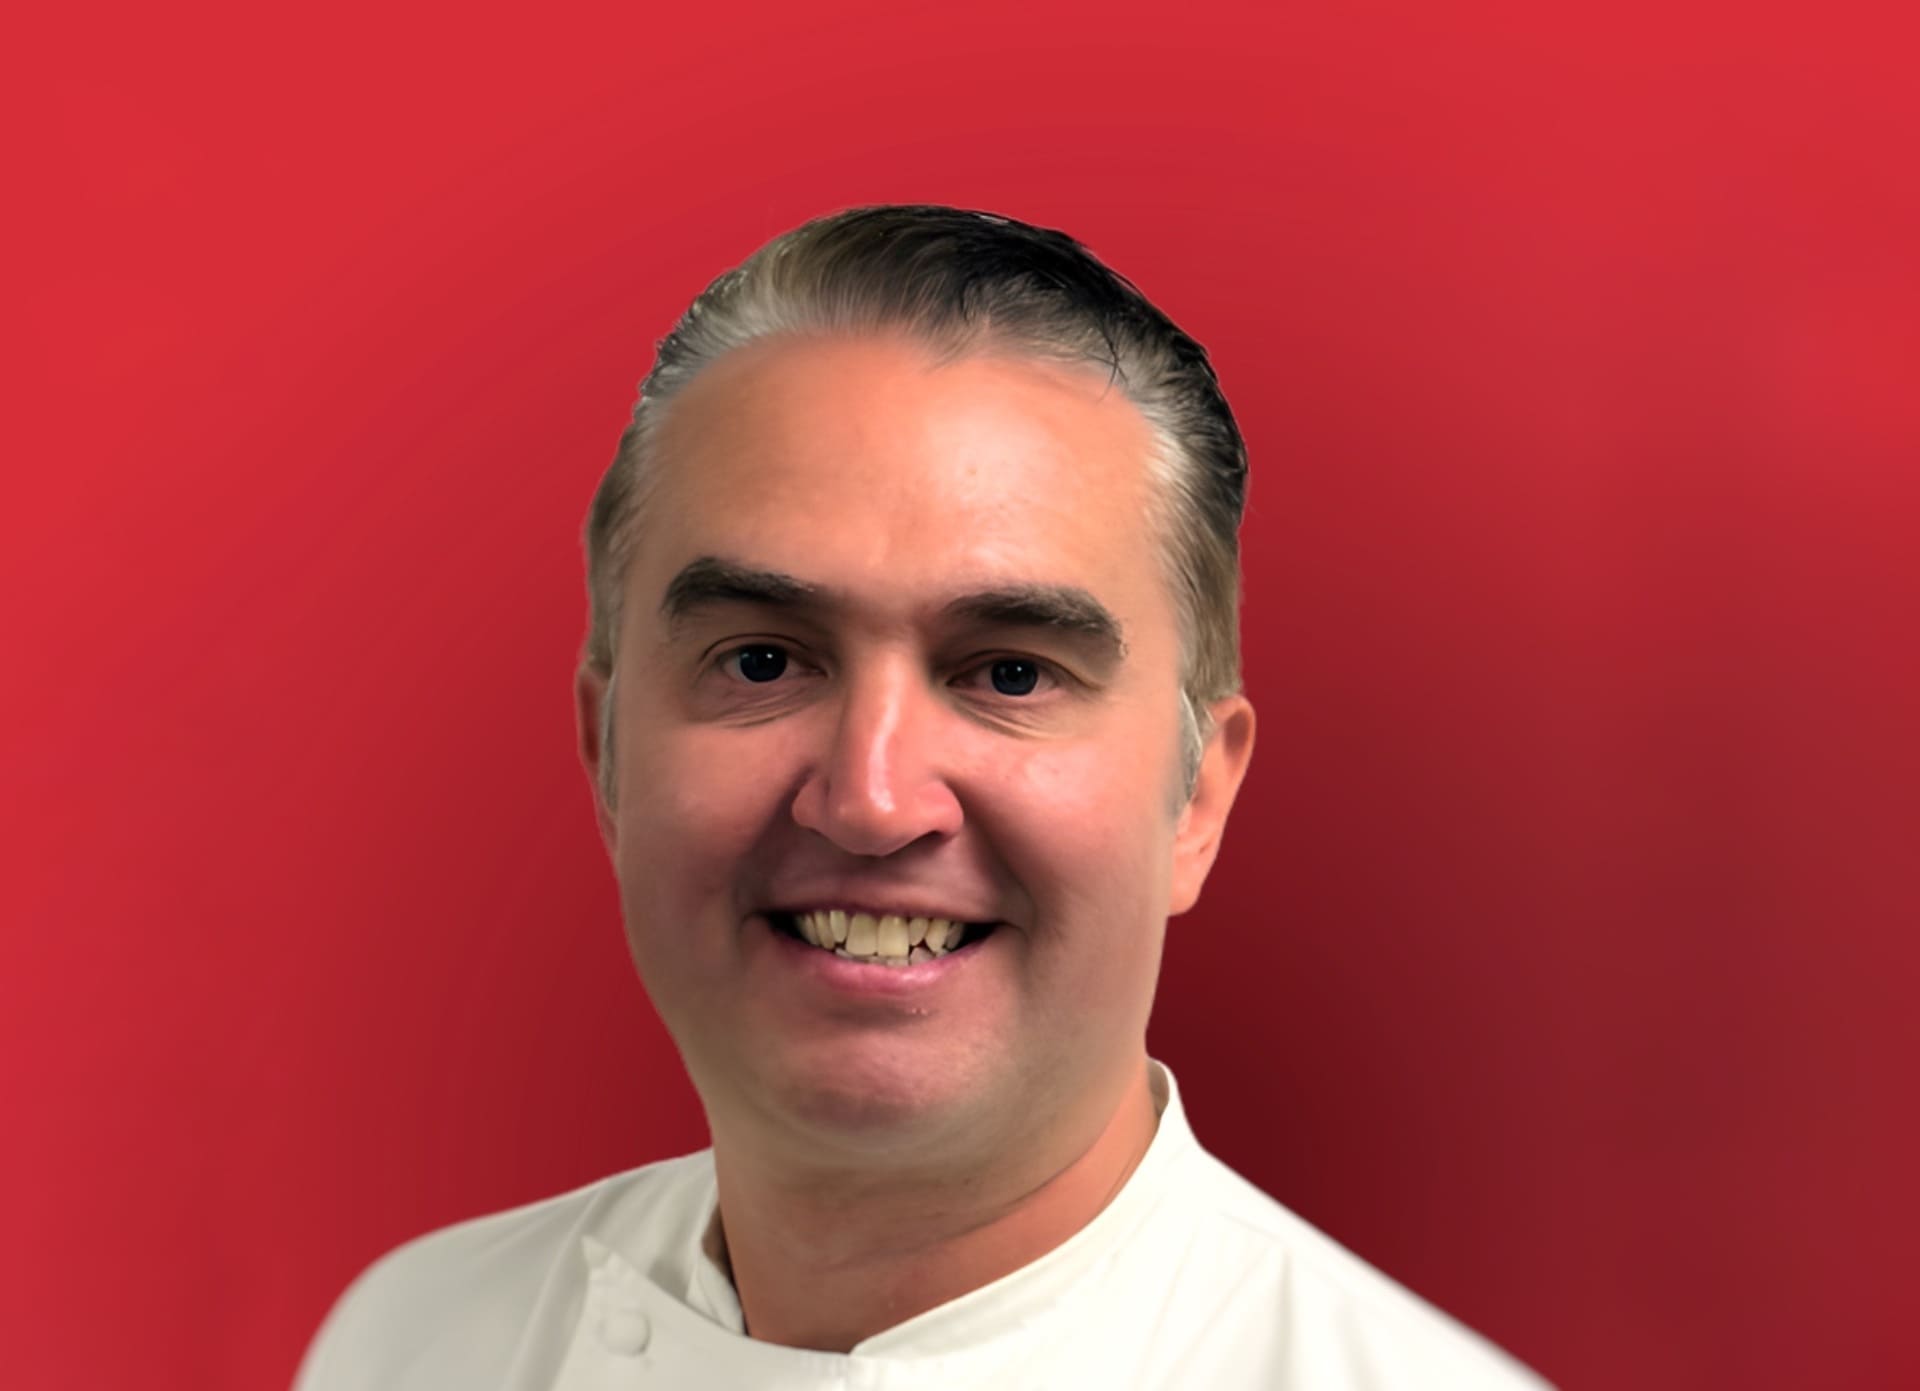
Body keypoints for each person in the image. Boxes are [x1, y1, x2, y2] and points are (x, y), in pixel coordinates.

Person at [294, 204, 1551, 1389]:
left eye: (1010, 672)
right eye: (764, 659)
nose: (873, 798)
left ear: (1197, 799)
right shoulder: (412, 1338)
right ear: (606, 750)